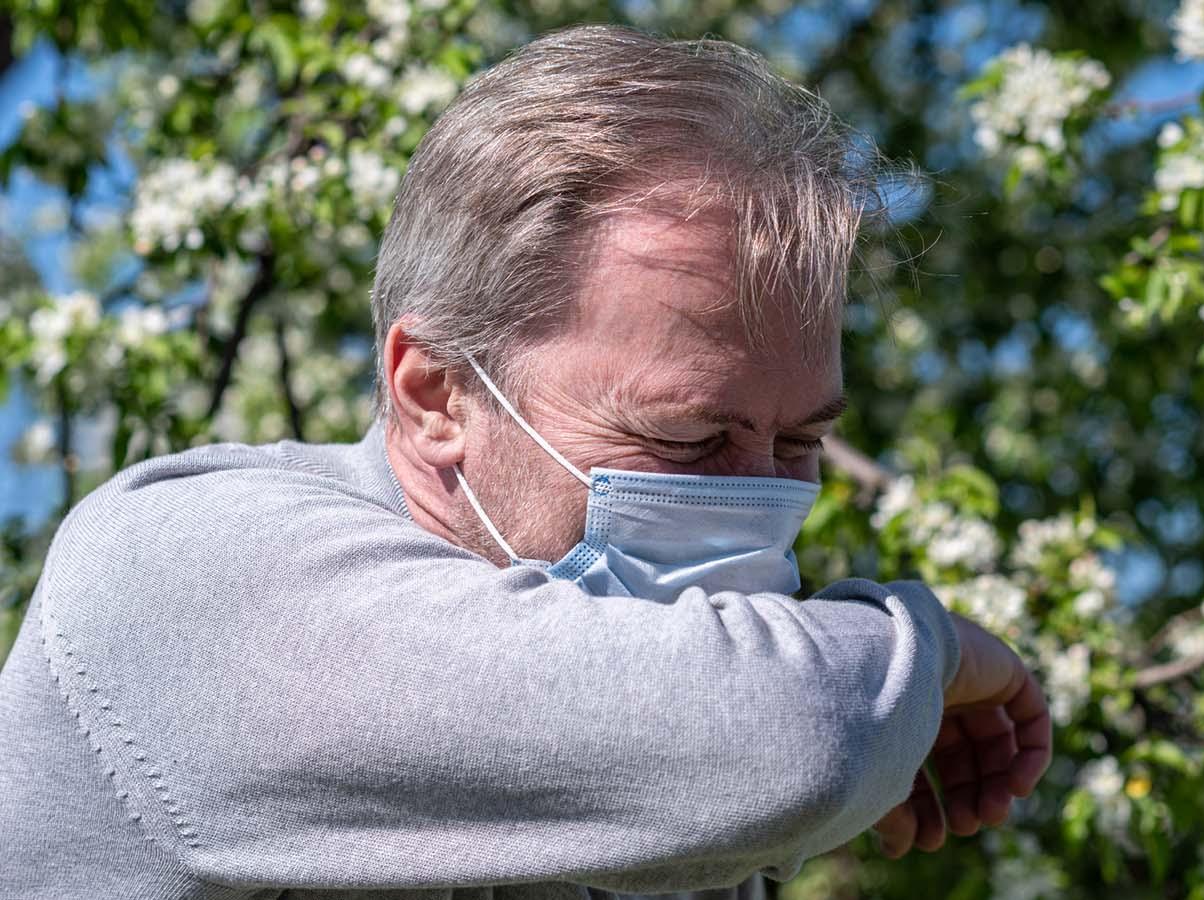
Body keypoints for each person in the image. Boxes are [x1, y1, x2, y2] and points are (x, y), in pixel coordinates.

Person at [0, 23, 1052, 900]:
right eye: (684, 437)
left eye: (799, 443)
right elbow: (792, 739)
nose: (759, 497)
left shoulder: (656, 810)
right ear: (435, 392)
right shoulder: (184, 563)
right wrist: (919, 658)